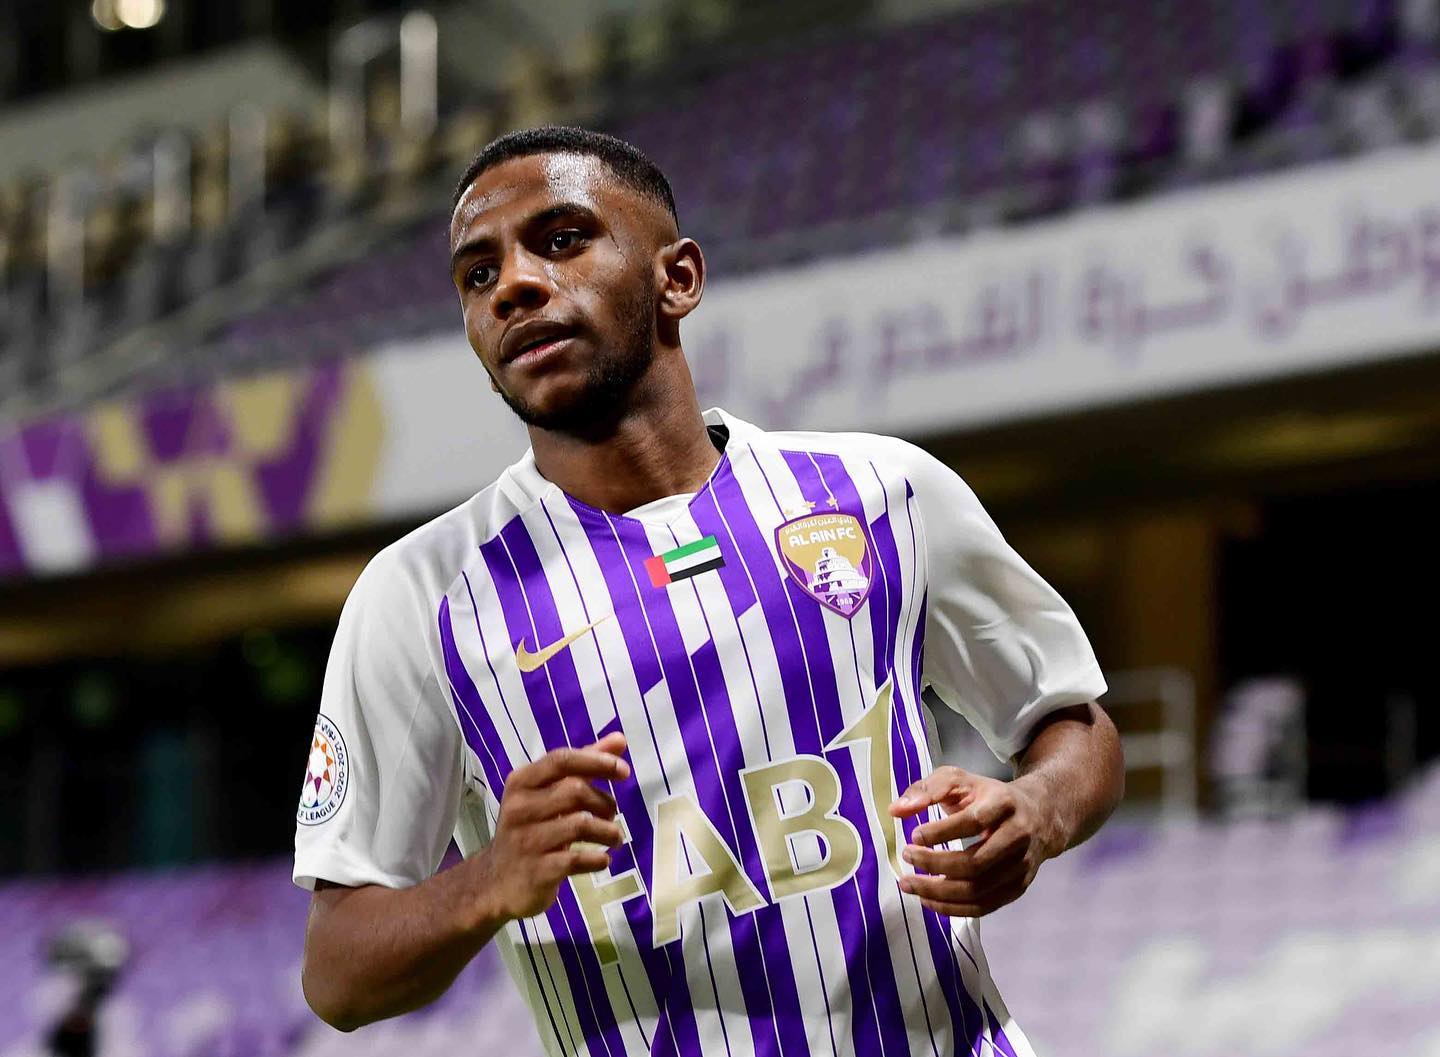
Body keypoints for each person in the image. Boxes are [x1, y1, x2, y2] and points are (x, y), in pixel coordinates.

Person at [294, 125, 1125, 1056]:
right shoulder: (420, 597)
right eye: (477, 274)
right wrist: (486, 879)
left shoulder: (882, 491)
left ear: (678, 278)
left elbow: (1073, 722)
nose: (514, 286)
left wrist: (1039, 809)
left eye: (560, 239)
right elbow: (337, 971)